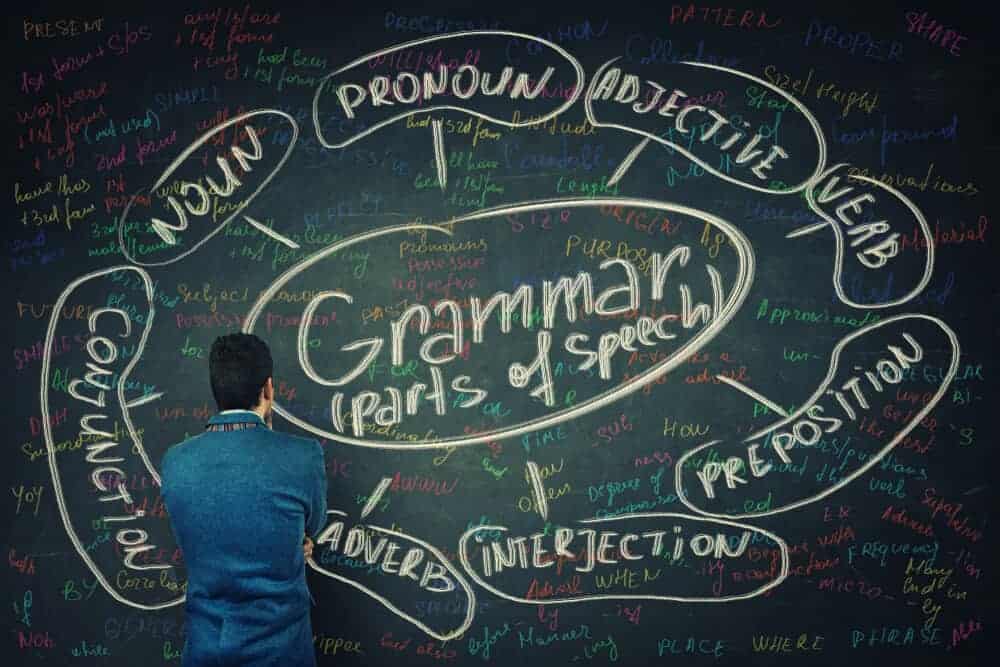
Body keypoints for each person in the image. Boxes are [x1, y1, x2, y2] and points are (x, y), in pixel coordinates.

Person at [161, 333, 328, 666]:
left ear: (216, 389)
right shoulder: (303, 457)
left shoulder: (176, 461)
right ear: (268, 388)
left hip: (206, 647)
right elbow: (311, 525)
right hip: (282, 650)